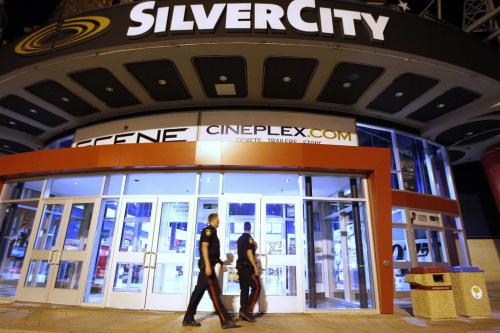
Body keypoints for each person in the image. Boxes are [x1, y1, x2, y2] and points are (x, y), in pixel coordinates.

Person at [183, 213, 239, 329]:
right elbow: (204, 247)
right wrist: (208, 266)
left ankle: (188, 318)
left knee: (198, 293)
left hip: (207, 267)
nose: (219, 222)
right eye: (218, 220)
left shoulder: (213, 232)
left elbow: (212, 253)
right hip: (206, 268)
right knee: (214, 293)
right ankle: (225, 320)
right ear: (213, 220)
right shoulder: (208, 230)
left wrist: (221, 263)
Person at [236, 222, 261, 322]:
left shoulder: (240, 239)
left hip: (240, 267)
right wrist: (255, 267)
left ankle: (242, 312)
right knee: (257, 287)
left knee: (244, 289)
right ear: (250, 228)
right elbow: (249, 252)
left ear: (243, 227)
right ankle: (247, 311)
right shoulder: (249, 239)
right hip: (247, 268)